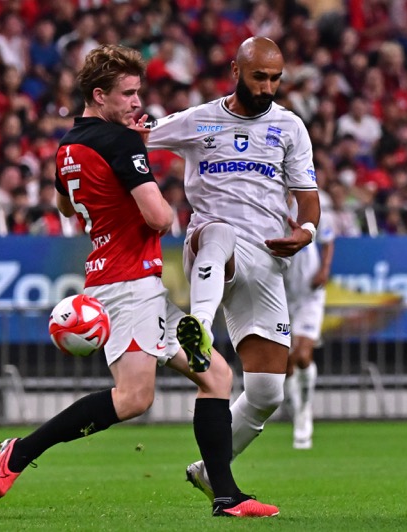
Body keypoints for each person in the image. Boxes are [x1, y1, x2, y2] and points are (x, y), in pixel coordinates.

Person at [0, 44, 278, 518]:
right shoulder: (120, 142)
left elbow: (66, 207)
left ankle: (226, 496)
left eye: (137, 92)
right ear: (99, 96)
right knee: (134, 397)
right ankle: (20, 452)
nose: (137, 103)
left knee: (217, 375)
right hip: (129, 283)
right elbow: (160, 217)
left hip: (119, 276)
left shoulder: (67, 147)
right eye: (127, 94)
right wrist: (135, 156)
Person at [142, 36, 321, 499]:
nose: (268, 87)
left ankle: (208, 469)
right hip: (210, 247)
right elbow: (137, 138)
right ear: (235, 71)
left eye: (276, 78)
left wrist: (306, 232)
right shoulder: (198, 120)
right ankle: (198, 327)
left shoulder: (290, 127)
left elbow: (308, 200)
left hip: (265, 261)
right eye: (259, 76)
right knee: (218, 230)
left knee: (266, 394)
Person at [283, 196, 334, 450]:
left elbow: (327, 237)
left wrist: (324, 269)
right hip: (280, 292)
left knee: (303, 355)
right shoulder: (266, 195)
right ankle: (295, 406)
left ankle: (304, 413)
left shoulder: (312, 198)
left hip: (309, 292)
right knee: (285, 362)